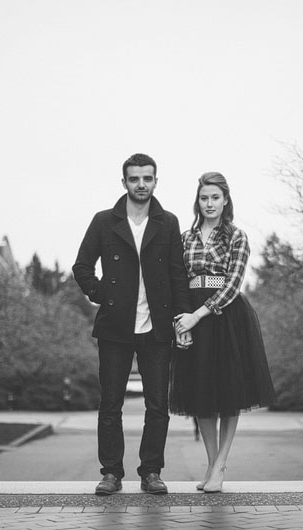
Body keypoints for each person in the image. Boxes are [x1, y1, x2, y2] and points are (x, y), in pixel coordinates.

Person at [73, 153, 191, 496]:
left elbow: (177, 274)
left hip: (157, 328)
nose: (141, 184)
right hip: (115, 327)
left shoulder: (167, 222)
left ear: (156, 181)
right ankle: (111, 473)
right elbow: (82, 266)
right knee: (110, 404)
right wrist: (101, 295)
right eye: (135, 178)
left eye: (147, 178)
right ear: (124, 182)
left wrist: (182, 320)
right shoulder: (103, 221)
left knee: (158, 406)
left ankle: (151, 471)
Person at [170, 171, 276, 493]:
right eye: (204, 198)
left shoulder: (236, 237)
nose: (209, 203)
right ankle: (212, 464)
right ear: (197, 201)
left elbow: (232, 285)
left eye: (215, 197)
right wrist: (181, 322)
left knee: (228, 393)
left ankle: (221, 466)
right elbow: (179, 281)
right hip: (191, 315)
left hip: (225, 317)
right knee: (200, 395)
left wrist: (198, 315)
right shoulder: (185, 239)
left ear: (225, 200)